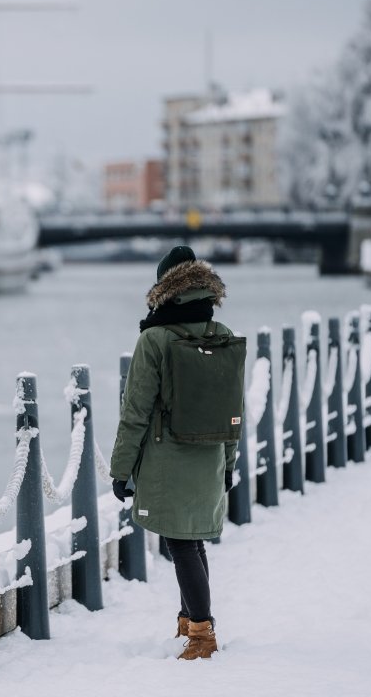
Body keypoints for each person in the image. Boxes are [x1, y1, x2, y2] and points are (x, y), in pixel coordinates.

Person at [108, 245, 237, 660]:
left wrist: (120, 470)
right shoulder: (222, 335)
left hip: (170, 457)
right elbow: (232, 412)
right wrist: (227, 466)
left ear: (164, 287)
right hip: (211, 454)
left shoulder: (154, 338)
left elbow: (135, 412)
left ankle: (202, 634)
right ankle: (190, 620)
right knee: (192, 540)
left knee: (181, 544)